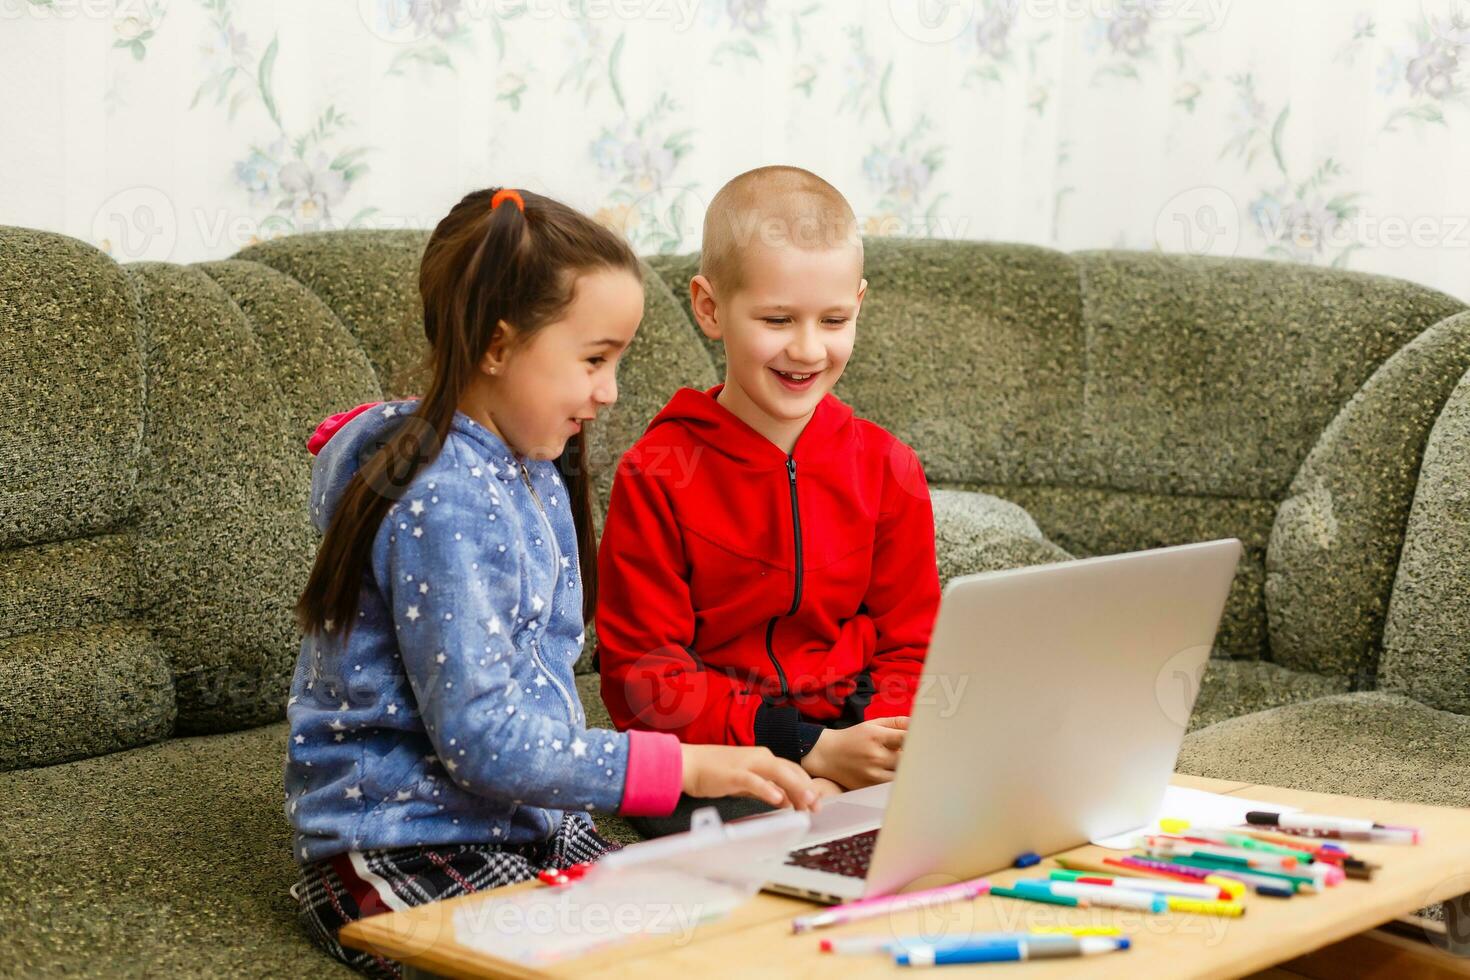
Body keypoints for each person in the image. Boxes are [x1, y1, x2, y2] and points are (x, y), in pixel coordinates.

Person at [285, 186, 817, 978]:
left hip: (522, 820)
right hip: (404, 842)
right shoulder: (445, 497)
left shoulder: (529, 462)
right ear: (498, 347)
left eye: (617, 362)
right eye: (594, 361)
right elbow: (484, 739)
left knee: (733, 933)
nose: (611, 392)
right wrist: (687, 765)